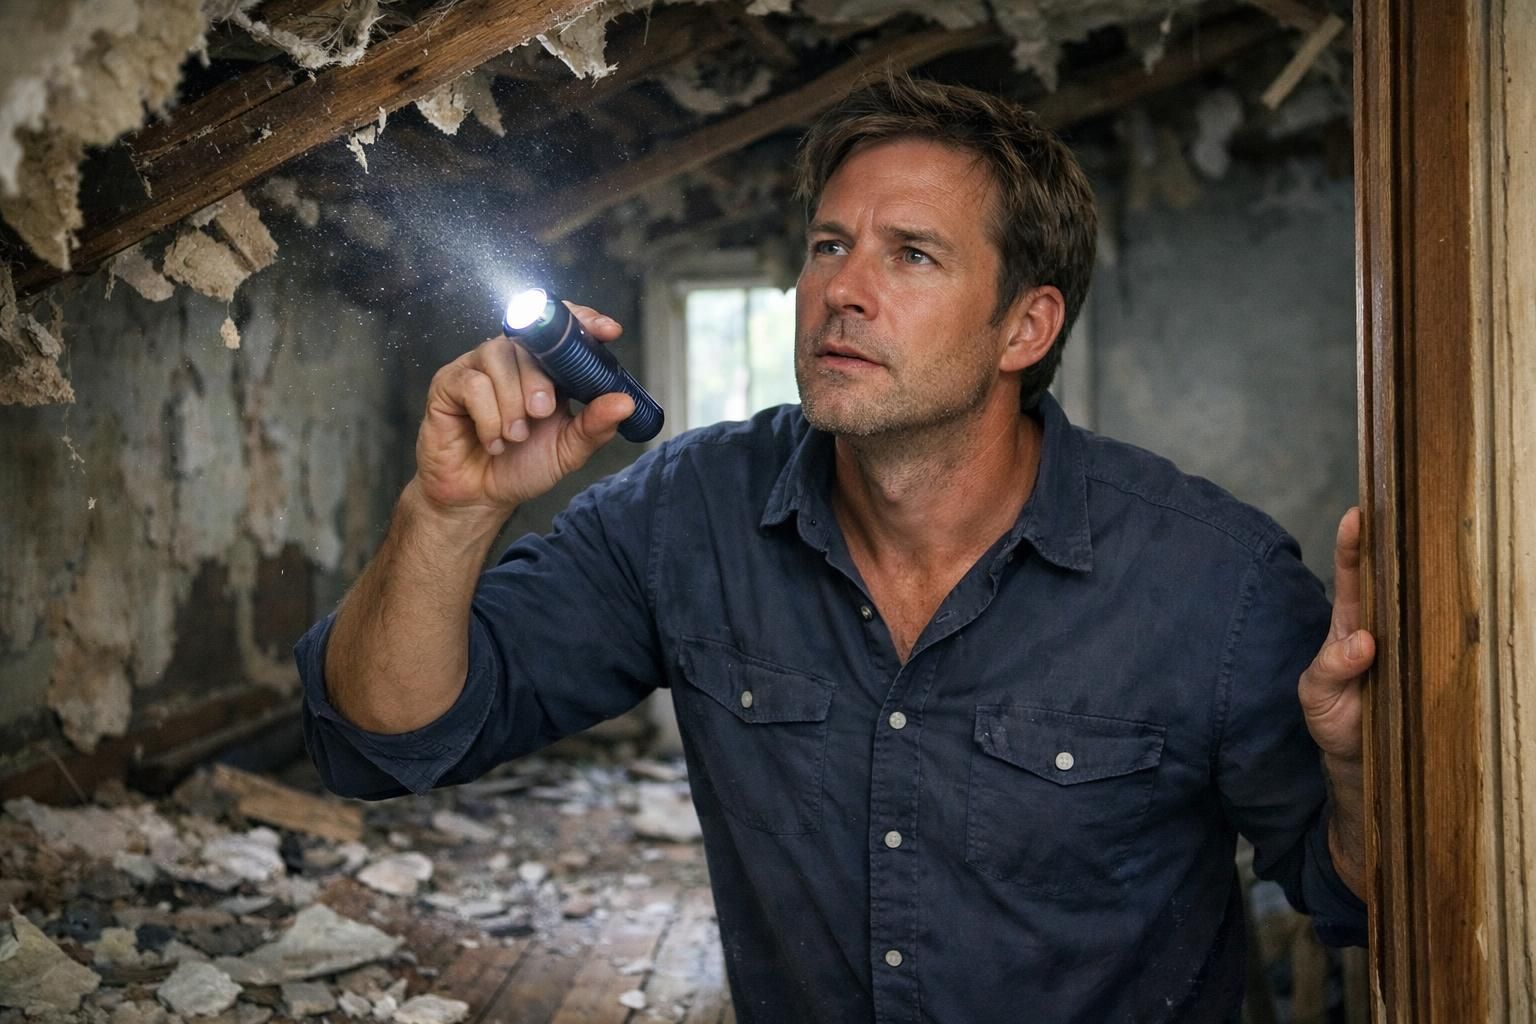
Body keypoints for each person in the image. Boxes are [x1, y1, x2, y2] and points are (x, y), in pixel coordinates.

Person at [298, 75, 1370, 1022]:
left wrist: (1365, 785)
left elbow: (1357, 895)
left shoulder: (1213, 585)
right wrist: (446, 513)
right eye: (827, 246)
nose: (841, 290)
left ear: (1025, 328)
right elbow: (393, 737)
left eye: (910, 254)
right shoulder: (691, 510)